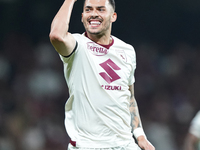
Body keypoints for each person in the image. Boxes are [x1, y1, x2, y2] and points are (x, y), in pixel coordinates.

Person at [49, 0, 155, 150]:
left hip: (125, 144)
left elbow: (129, 97)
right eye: (88, 9)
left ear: (113, 16)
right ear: (82, 16)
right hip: (88, 145)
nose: (93, 14)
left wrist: (140, 135)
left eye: (100, 9)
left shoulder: (127, 51)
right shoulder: (77, 46)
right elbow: (56, 36)